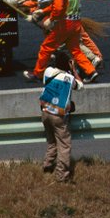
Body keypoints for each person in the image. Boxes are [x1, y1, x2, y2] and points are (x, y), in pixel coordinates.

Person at [25, 0, 98, 84]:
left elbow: (58, 8)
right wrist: (43, 11)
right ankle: (91, 71)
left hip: (65, 25)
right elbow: (60, 5)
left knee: (46, 48)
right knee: (75, 50)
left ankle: (37, 74)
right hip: (76, 24)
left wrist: (51, 19)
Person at [37, 49, 82, 183]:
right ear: (68, 64)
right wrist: (73, 70)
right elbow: (80, 86)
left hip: (45, 112)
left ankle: (47, 166)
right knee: (64, 145)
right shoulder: (69, 78)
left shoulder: (48, 72)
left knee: (51, 142)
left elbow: (51, 68)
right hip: (59, 116)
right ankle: (61, 176)